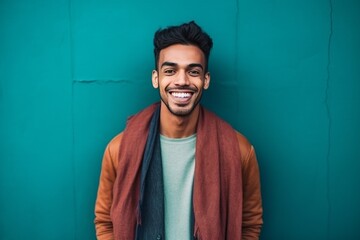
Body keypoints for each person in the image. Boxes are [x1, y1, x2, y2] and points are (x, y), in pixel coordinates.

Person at [94, 21, 263, 240]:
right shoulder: (119, 149)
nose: (181, 81)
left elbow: (249, 224)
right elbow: (105, 221)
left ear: (206, 80)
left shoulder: (239, 150)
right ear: (156, 78)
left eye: (193, 71)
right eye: (170, 70)